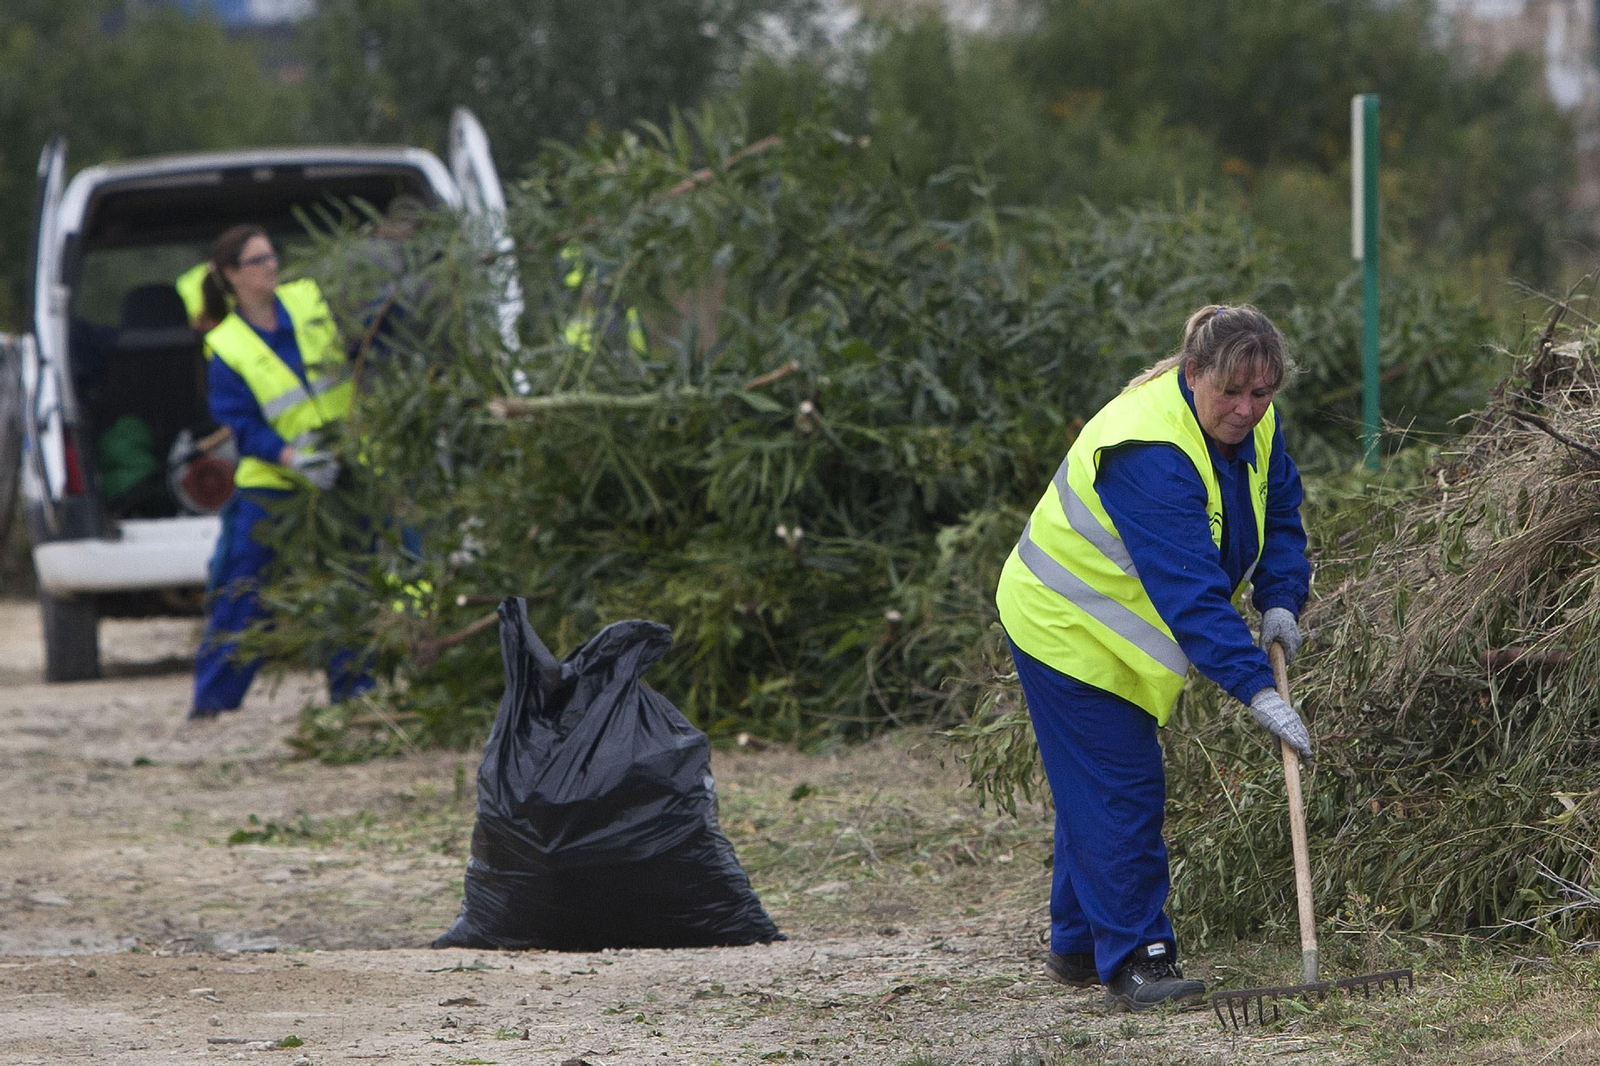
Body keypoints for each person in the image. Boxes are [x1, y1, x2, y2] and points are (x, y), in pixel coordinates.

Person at [994, 304, 1312, 1012]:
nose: (1246, 410)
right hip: (1066, 622)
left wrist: (1281, 597)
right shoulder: (1148, 450)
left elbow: (1280, 512)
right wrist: (1258, 690)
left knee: (1097, 783)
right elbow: (1190, 593)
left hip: (1123, 629)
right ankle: (1139, 959)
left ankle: (1079, 943)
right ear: (1193, 373)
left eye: (1261, 394)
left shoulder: (1255, 426)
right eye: (1231, 392)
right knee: (1122, 787)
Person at [190, 224, 370, 718]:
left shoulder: (309, 300)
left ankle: (356, 696)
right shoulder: (227, 345)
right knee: (244, 593)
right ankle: (212, 704)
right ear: (231, 275)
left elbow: (358, 348)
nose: (272, 265)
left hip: (342, 474)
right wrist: (294, 459)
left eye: (273, 255)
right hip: (273, 488)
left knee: (350, 584)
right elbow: (241, 425)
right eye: (258, 260)